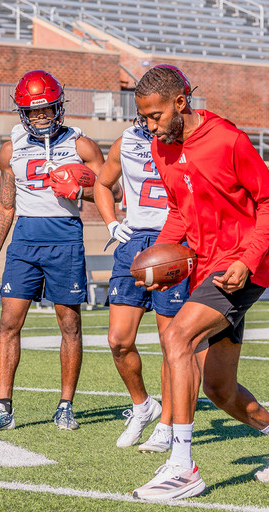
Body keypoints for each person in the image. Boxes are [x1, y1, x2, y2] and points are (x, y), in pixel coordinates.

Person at [130, 65, 269, 500]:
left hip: (237, 272)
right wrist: (156, 260)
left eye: (155, 115)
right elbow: (178, 211)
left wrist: (249, 260)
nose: (149, 125)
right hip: (202, 269)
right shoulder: (162, 150)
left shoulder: (228, 140)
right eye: (143, 117)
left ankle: (182, 467)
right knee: (219, 389)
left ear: (180, 103)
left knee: (177, 338)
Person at [0, 69, 119, 432]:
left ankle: (65, 405)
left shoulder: (81, 145)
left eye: (46, 110)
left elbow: (113, 192)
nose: (40, 117)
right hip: (24, 239)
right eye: (33, 112)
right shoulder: (11, 149)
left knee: (69, 324)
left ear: (59, 107)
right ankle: (3, 407)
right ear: (22, 113)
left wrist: (79, 190)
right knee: (9, 323)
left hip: (65, 237)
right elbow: (5, 205)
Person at [93, 120, 190, 452]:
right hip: (134, 242)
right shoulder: (127, 141)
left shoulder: (189, 140)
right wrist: (110, 222)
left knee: (171, 342)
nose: (151, 120)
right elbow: (102, 184)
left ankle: (166, 425)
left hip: (175, 242)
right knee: (118, 340)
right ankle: (143, 405)